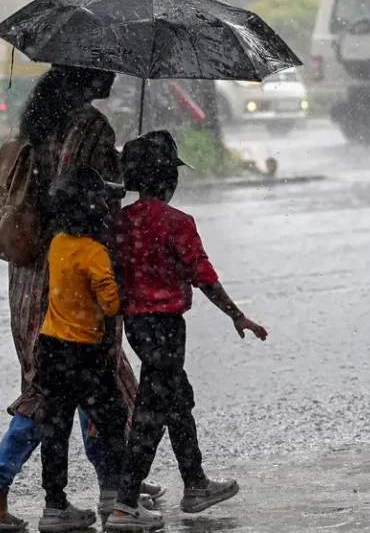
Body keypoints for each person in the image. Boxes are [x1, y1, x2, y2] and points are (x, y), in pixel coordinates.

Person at [0, 66, 162, 529]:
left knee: (84, 381)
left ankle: (114, 481)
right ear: (86, 73)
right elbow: (77, 194)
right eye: (105, 66)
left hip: (32, 270)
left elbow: (54, 186)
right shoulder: (89, 124)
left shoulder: (40, 120)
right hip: (74, 274)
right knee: (72, 385)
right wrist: (124, 179)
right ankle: (0, 473)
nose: (114, 74)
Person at [106, 131, 269, 531]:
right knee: (152, 410)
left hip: (136, 327)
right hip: (166, 327)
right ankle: (125, 505)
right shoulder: (178, 223)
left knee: (177, 398)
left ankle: (195, 484)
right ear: (169, 180)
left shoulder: (118, 223)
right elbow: (203, 275)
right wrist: (236, 314)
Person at [33, 165, 162, 532]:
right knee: (111, 420)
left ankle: (54, 506)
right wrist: (119, 281)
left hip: (51, 349)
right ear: (92, 209)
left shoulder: (58, 243)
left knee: (55, 430)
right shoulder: (94, 253)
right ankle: (119, 498)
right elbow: (111, 306)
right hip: (86, 354)